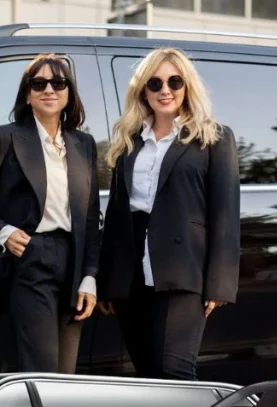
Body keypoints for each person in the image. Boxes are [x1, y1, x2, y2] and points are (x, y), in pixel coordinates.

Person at [96, 47, 240, 381]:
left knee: (175, 374)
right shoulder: (129, 142)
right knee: (148, 376)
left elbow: (225, 214)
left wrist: (218, 284)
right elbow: (117, 216)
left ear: (187, 86)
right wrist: (108, 281)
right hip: (131, 274)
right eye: (155, 83)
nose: (165, 90)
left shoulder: (213, 138)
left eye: (174, 81)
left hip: (183, 270)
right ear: (142, 91)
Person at [0, 53, 101, 374]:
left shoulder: (84, 144)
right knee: (43, 369)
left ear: (69, 93)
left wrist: (91, 275)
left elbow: (91, 217)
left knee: (66, 374)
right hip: (31, 258)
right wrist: (3, 231)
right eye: (38, 83)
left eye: (58, 82)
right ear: (28, 94)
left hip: (74, 262)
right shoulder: (7, 136)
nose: (49, 90)